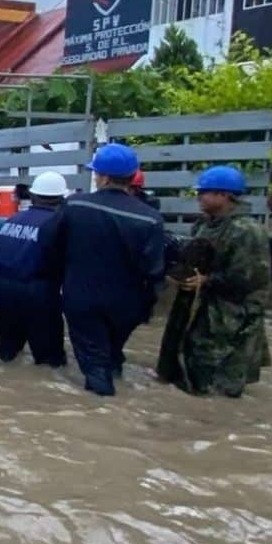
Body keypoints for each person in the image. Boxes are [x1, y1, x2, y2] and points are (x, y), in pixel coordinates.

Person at [41, 144, 165, 396]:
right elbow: (153, 270)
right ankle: (116, 380)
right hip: (128, 305)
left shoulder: (75, 205)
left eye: (96, 174)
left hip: (83, 299)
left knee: (95, 364)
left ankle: (102, 411)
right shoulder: (151, 218)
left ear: (105, 177)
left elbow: (48, 242)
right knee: (112, 352)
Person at [156, 166, 271, 397]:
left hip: (233, 317)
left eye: (204, 193)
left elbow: (248, 278)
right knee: (190, 363)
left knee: (222, 378)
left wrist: (206, 281)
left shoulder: (247, 231)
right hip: (201, 309)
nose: (199, 197)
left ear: (224, 195)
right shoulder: (204, 225)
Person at [0, 171, 67, 367]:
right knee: (49, 360)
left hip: (4, 289)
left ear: (33, 196)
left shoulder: (13, 219)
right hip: (39, 291)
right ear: (62, 197)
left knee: (7, 352)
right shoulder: (59, 223)